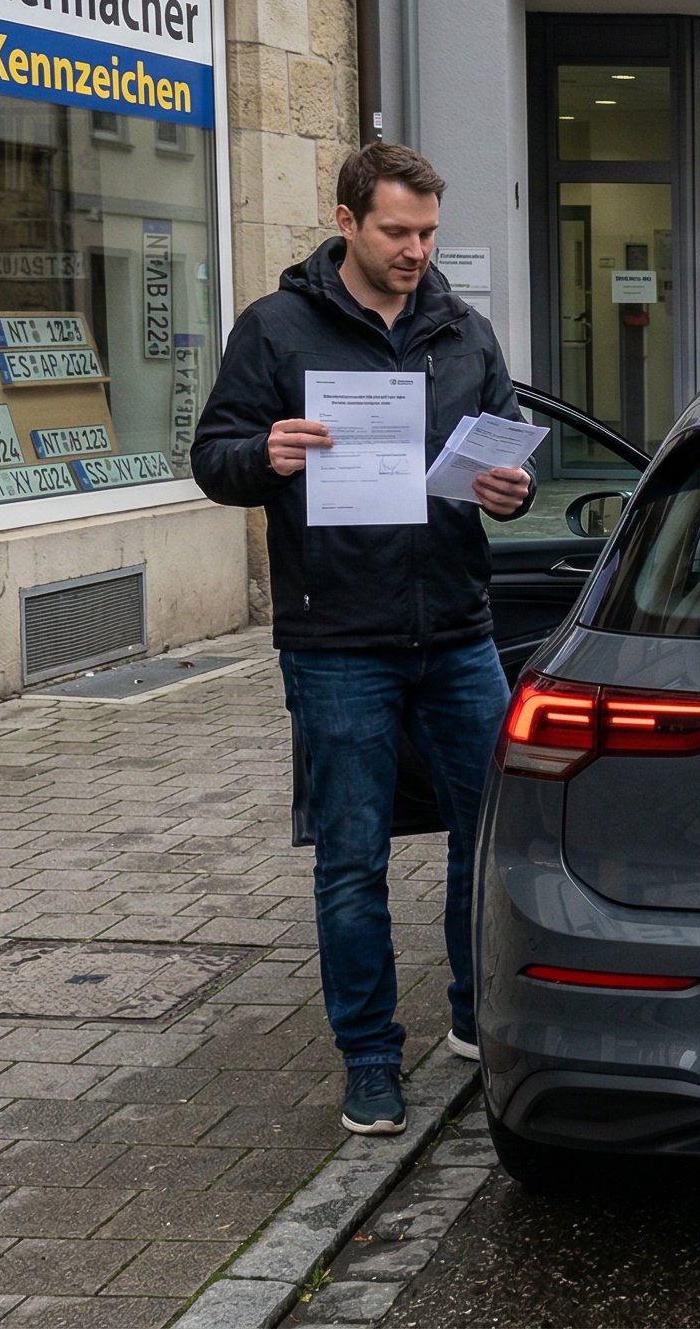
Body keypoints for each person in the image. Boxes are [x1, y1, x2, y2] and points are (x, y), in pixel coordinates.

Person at [191, 144, 534, 1137]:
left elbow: (503, 452)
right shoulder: (276, 328)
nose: (416, 251)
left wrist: (508, 491)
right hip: (338, 640)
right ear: (347, 223)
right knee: (352, 857)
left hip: (459, 633)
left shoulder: (462, 330)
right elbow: (215, 460)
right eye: (397, 232)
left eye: (427, 233)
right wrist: (266, 452)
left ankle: (476, 1017)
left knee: (488, 842)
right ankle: (372, 1059)